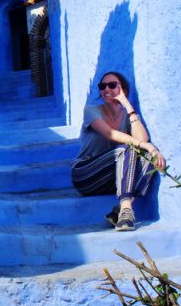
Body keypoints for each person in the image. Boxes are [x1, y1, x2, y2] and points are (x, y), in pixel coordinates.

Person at [71, 71, 166, 231]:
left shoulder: (125, 116)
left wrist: (127, 105)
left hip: (111, 178)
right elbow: (110, 134)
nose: (106, 89)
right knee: (128, 148)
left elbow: (142, 140)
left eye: (112, 85)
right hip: (85, 174)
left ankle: (120, 210)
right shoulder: (91, 110)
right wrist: (150, 146)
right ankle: (127, 209)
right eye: (103, 86)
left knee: (146, 156)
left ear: (124, 89)